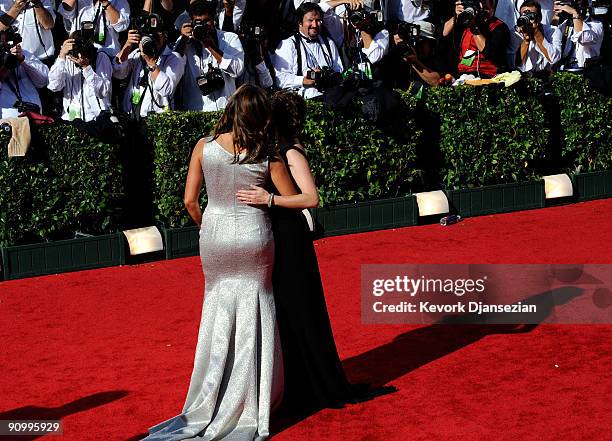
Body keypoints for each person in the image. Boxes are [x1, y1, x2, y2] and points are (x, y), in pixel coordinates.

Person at [143, 85, 298, 441]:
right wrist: (268, 199)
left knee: (217, 308)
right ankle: (251, 399)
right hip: (254, 235)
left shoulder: (204, 147)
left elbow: (189, 201)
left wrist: (208, 226)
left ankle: (213, 393)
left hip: (213, 237)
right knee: (255, 309)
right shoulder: (267, 154)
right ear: (262, 116)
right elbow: (299, 200)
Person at [235, 90, 362, 416]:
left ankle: (315, 384)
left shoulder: (291, 153)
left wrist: (270, 200)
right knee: (287, 313)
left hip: (292, 240)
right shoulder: (274, 151)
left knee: (300, 310)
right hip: (277, 238)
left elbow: (310, 199)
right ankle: (298, 382)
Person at [174, 0, 244, 111]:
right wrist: (183, 39)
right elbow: (173, 70)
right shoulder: (184, 41)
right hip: (193, 111)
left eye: (206, 21)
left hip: (225, 110)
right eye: (198, 22)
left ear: (214, 20)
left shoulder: (230, 38)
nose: (203, 26)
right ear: (191, 22)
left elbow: (237, 70)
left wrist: (210, 46)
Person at [112, 13, 185, 118]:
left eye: (155, 35)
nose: (152, 39)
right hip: (132, 117)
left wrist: (151, 62)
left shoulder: (174, 58)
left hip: (156, 120)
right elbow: (118, 72)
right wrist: (128, 45)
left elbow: (166, 89)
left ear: (165, 35)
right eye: (148, 35)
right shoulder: (138, 53)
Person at [273, 2, 344, 99]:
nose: (315, 25)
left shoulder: (329, 43)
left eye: (318, 20)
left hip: (330, 96)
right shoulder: (288, 44)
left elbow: (339, 70)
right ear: (300, 22)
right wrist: (303, 80)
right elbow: (279, 79)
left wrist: (329, 77)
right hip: (303, 100)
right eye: (310, 20)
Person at [47, 31, 112, 121]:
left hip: (97, 119)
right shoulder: (66, 59)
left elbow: (102, 92)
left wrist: (87, 68)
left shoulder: (100, 57)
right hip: (72, 117)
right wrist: (61, 55)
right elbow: (54, 86)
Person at [443, 0, 510, 78]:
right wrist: (457, 14)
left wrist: (474, 28)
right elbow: (444, 33)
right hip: (464, 73)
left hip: (487, 75)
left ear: (493, 6)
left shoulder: (499, 27)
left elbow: (490, 52)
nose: (481, 9)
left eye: (485, 6)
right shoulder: (466, 21)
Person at [0, 27, 48, 118]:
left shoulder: (21, 52)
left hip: (35, 118)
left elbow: (43, 81)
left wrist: (23, 60)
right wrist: (5, 68)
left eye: (2, 32)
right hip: (8, 123)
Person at [58, 0, 130, 57]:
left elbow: (121, 26)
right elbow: (64, 12)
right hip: (79, 53)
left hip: (107, 54)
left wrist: (105, 3)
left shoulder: (118, 1)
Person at [552, 0, 604, 69]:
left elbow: (584, 39)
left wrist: (574, 13)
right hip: (564, 71)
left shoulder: (596, 25)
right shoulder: (566, 24)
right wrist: (556, 17)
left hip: (585, 72)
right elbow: (551, 40)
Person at [515, 0, 562, 73]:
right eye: (524, 15)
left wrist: (536, 33)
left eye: (531, 15)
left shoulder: (553, 31)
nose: (528, 19)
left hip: (546, 76)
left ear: (540, 17)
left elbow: (554, 59)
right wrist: (526, 41)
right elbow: (516, 65)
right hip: (524, 77)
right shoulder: (516, 33)